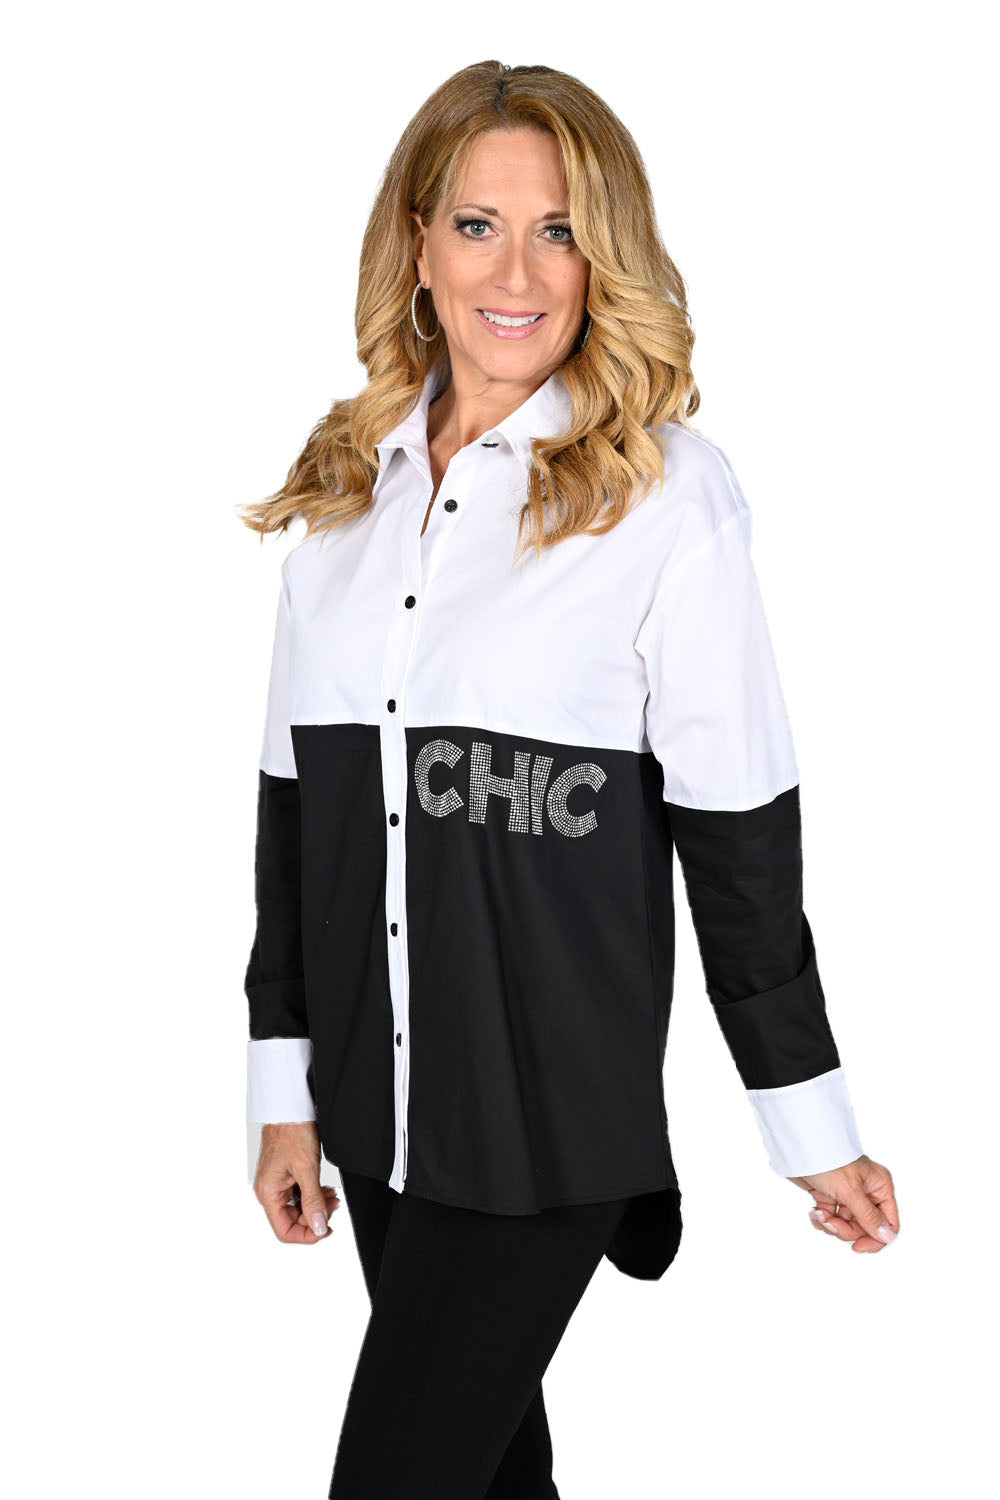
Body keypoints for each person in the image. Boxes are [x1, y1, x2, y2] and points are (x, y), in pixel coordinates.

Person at [237, 59, 900, 1500]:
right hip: (378, 1110)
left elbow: (740, 837)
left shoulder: (667, 494)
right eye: (478, 226)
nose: (518, 274)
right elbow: (297, 836)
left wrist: (809, 1125)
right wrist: (284, 1089)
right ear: (417, 242)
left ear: (607, 258)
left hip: (546, 1120)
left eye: (561, 232)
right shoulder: (345, 498)